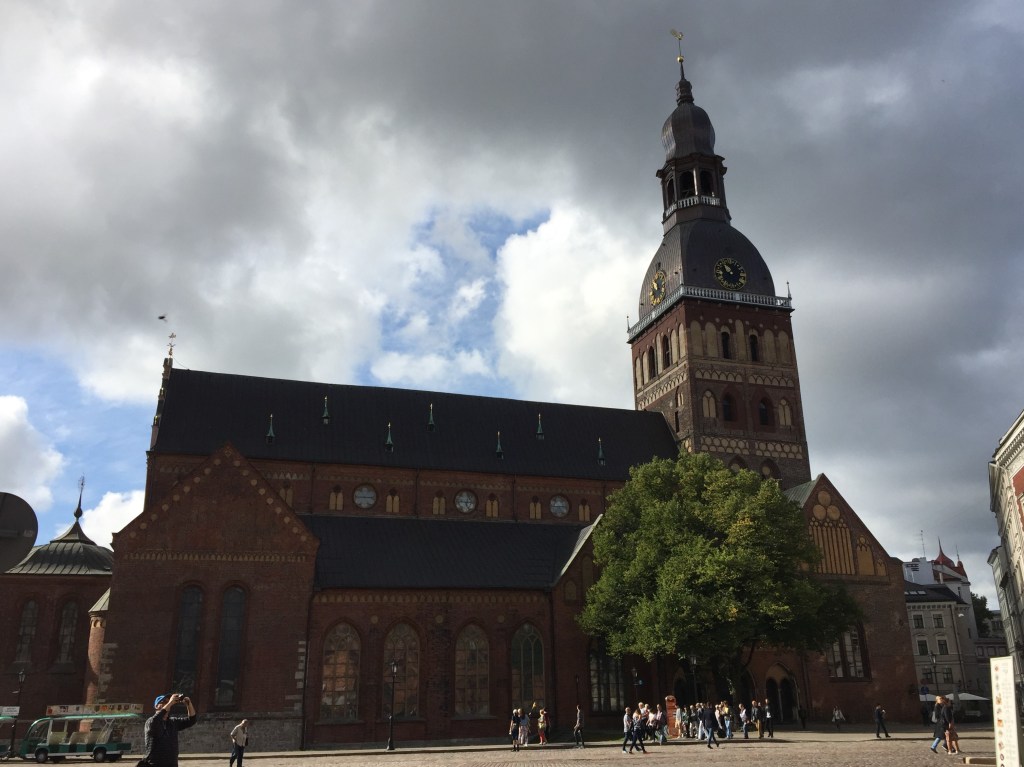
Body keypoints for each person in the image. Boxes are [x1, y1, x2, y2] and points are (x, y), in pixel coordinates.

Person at [144, 693, 196, 767]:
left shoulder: (173, 722)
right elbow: (155, 720)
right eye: (164, 702)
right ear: (156, 706)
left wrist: (189, 704)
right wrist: (170, 702)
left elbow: (192, 720)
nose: (167, 704)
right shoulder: (150, 721)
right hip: (155, 764)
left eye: (167, 701)